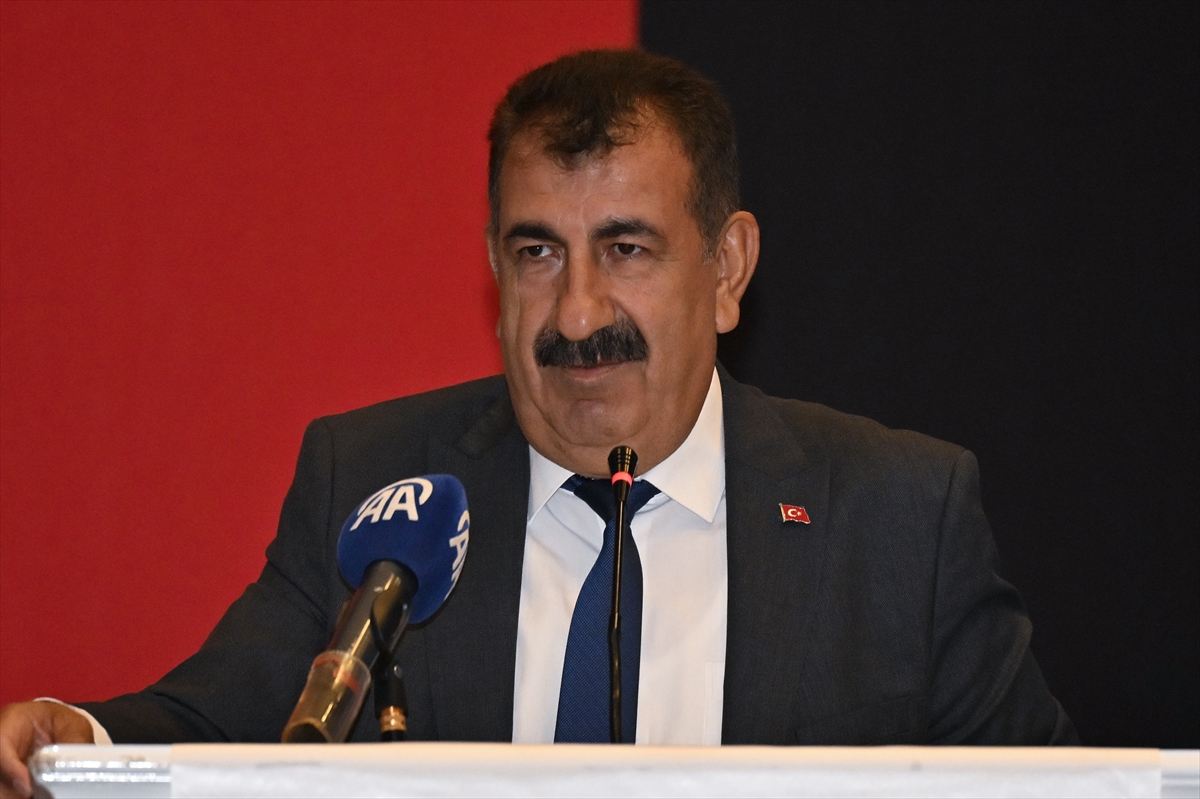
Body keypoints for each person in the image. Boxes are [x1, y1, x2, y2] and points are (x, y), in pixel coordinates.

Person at [0, 47, 1077, 797]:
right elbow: (212, 725)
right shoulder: (379, 485)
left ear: (727, 269)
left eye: (626, 249)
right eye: (538, 253)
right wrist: (66, 740)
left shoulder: (896, 517)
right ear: (494, 266)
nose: (576, 315)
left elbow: (1048, 789)